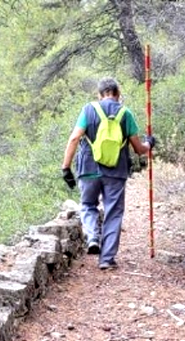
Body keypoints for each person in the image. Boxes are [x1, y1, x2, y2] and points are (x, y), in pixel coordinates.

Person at [61, 77, 155, 270]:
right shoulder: (125, 113)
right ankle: (106, 259)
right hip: (116, 172)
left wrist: (66, 168)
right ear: (118, 94)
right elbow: (138, 149)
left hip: (88, 169)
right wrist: (149, 144)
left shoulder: (89, 109)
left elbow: (74, 138)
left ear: (99, 94)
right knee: (113, 213)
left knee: (87, 205)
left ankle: (92, 237)